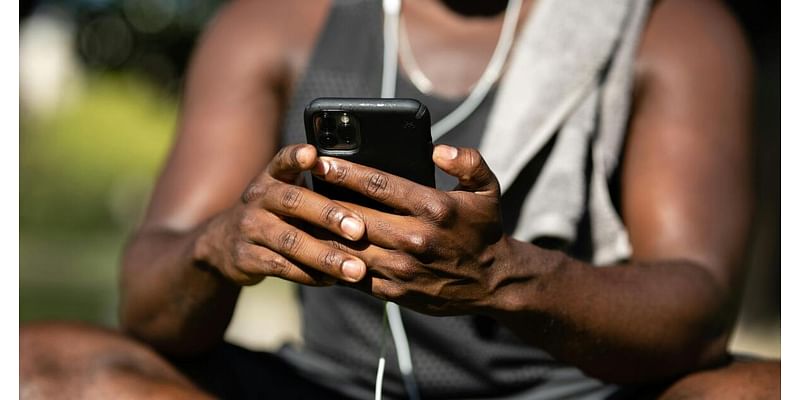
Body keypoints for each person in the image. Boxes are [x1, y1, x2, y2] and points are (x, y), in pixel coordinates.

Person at [20, 0, 779, 399]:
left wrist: (503, 277)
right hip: (333, 387)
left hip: (570, 396)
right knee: (37, 367)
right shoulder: (274, 21)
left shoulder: (670, 24)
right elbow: (148, 301)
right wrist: (218, 248)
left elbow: (699, 307)